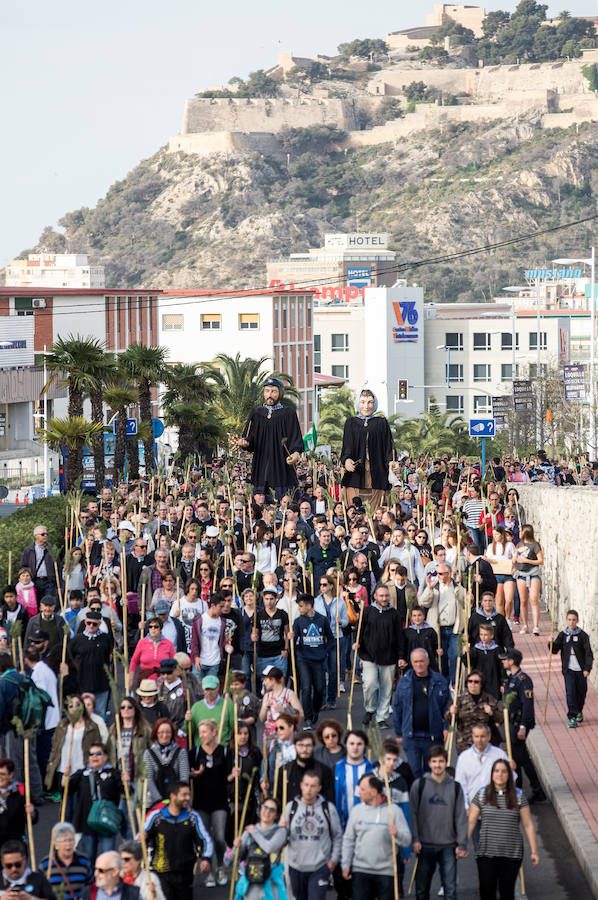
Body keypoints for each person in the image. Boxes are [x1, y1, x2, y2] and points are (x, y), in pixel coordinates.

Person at [468, 759, 539, 900]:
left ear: (509, 775)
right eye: (496, 771)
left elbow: (528, 824)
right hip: (487, 852)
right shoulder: (482, 794)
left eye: (504, 771)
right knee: (486, 890)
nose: (500, 774)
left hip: (511, 853)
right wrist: (462, 844)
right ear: (492, 774)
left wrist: (534, 851)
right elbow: (471, 820)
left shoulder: (518, 796)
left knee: (507, 892)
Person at [409, 745, 467, 900]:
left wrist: (462, 844)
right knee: (422, 890)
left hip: (448, 845)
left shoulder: (455, 787)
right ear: (429, 763)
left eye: (441, 761)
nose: (437, 765)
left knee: (450, 891)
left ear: (446, 762)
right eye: (434, 761)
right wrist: (415, 839)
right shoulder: (419, 785)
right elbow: (412, 814)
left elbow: (460, 816)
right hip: (425, 845)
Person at [341, 773, 411, 899]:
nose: (359, 792)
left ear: (373, 792)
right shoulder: (357, 811)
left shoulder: (393, 811)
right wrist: (345, 864)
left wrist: (397, 834)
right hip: (360, 870)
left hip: (386, 872)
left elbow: (406, 840)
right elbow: (348, 840)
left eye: (362, 789)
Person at [232, 377, 303, 500]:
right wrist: (244, 443)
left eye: (273, 391)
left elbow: (295, 436)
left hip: (281, 466)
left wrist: (296, 453)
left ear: (280, 393)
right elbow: (250, 437)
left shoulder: (288, 413)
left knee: (284, 502)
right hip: (261, 465)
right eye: (267, 391)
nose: (269, 395)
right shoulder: (257, 413)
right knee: (260, 503)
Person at [144, 781, 213, 900]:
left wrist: (206, 858)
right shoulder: (156, 817)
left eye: (188, 795)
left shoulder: (192, 817)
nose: (188, 798)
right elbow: (140, 838)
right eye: (184, 795)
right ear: (173, 796)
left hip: (185, 873)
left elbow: (205, 839)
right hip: (161, 873)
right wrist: (141, 840)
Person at [282, 769, 342, 900]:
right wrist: (281, 831)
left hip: (319, 867)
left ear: (319, 788)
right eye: (306, 785)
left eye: (313, 786)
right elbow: (282, 840)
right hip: (296, 867)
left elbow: (338, 836)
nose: (309, 789)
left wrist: (333, 861)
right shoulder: (290, 808)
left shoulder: (328, 808)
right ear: (301, 785)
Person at [393, 649, 450, 779]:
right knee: (414, 772)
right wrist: (398, 733)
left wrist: (447, 728)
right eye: (416, 661)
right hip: (411, 736)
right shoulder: (404, 681)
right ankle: (417, 798)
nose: (419, 664)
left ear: (428, 661)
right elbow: (397, 708)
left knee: (433, 773)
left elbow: (447, 706)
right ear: (412, 663)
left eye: (422, 661)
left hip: (433, 736)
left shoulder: (439, 681)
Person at [500, 649, 546, 802]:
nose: (503, 662)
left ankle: (520, 791)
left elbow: (527, 704)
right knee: (521, 757)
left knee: (517, 759)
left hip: (518, 723)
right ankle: (534, 789)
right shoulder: (511, 679)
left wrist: (523, 726)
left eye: (505, 659)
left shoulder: (523, 680)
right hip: (511, 722)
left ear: (512, 661)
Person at [340, 389, 395, 511]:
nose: (366, 406)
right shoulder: (351, 422)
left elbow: (388, 446)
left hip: (377, 472)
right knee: (354, 508)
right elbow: (347, 446)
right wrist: (346, 460)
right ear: (357, 404)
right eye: (363, 402)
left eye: (370, 402)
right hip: (356, 473)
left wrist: (391, 462)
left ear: (374, 404)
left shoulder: (381, 423)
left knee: (376, 510)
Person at [68, 742, 124, 862]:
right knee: (88, 858)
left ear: (105, 756)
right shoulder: (82, 774)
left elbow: (126, 792)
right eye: (91, 754)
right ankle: (90, 880)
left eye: (98, 754)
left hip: (106, 821)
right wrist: (65, 777)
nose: (94, 757)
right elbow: (66, 789)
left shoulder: (113, 773)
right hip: (87, 822)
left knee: (107, 858)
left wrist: (125, 781)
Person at [358, 583, 403, 728]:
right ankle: (370, 709)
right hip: (369, 655)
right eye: (381, 596)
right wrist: (358, 652)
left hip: (389, 657)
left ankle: (381, 717)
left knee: (386, 688)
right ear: (375, 596)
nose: (384, 598)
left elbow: (400, 636)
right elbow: (359, 633)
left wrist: (401, 656)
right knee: (369, 684)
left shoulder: (394, 614)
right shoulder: (367, 611)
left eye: (386, 595)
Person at [45, 694, 101, 798]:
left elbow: (98, 748)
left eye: (77, 704)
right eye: (71, 706)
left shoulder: (91, 727)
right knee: (66, 807)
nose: (74, 708)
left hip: (82, 770)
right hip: (64, 771)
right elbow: (55, 748)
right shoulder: (62, 726)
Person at [232, 797, 287, 900]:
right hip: (252, 881)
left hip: (271, 882)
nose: (267, 812)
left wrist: (254, 832)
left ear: (276, 815)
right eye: (265, 807)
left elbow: (269, 848)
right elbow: (235, 859)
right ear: (260, 809)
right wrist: (236, 847)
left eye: (272, 810)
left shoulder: (280, 832)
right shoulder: (249, 831)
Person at [419, 565, 465, 686]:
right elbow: (424, 602)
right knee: (441, 657)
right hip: (438, 629)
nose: (438, 576)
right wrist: (428, 588)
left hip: (455, 628)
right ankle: (444, 682)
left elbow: (466, 603)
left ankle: (455, 683)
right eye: (437, 573)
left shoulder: (458, 587)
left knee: (455, 655)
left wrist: (469, 598)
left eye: (441, 574)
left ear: (448, 574)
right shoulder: (434, 587)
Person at [292, 593, 333, 728]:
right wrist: (291, 639)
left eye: (301, 606)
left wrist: (324, 651)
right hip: (303, 659)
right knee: (306, 687)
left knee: (320, 689)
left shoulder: (322, 620)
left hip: (318, 659)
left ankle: (315, 710)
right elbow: (294, 640)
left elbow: (330, 639)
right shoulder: (298, 621)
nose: (299, 609)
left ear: (309, 606)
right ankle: (308, 718)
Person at [550, 609, 594, 728]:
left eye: (574, 620)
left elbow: (589, 654)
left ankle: (579, 710)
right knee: (570, 693)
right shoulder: (563, 635)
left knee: (581, 692)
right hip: (568, 670)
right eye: (569, 620)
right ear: (566, 620)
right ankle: (572, 717)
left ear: (577, 621)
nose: (571, 622)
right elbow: (555, 650)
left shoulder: (583, 636)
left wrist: (587, 668)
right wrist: (551, 644)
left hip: (580, 670)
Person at [69, 609, 113, 720]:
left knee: (99, 716)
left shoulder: (105, 639)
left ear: (99, 624)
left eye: (95, 624)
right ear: (85, 622)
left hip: (101, 684)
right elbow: (70, 658)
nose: (91, 626)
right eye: (89, 623)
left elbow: (109, 658)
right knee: (81, 716)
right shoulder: (77, 640)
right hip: (82, 684)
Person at [455, 723, 509, 812]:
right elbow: (460, 785)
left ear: (489, 736)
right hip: (472, 811)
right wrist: (465, 806)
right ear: (472, 737)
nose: (479, 740)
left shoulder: (500, 755)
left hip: (495, 811)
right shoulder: (464, 758)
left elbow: (509, 782)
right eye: (476, 736)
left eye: (482, 736)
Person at [446, 670, 502, 755]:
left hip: (484, 744)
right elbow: (449, 719)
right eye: (470, 681)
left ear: (481, 684)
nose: (473, 684)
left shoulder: (488, 699)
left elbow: (501, 718)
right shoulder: (459, 700)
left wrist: (491, 713)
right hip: (465, 744)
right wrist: (451, 712)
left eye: (476, 682)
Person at [314, 575, 349, 708]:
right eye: (321, 585)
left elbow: (346, 622)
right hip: (321, 639)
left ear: (331, 586)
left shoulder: (339, 602)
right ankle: (322, 700)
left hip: (336, 638)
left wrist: (341, 621)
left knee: (334, 670)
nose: (322, 587)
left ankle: (331, 699)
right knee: (322, 671)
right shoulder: (316, 601)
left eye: (324, 585)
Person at [39, 822, 92, 900]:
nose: (68, 844)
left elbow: (91, 886)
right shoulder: (46, 864)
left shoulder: (84, 861)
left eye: (71, 840)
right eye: (64, 841)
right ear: (56, 845)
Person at [144, 718, 190, 807]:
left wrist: (175, 799)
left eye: (168, 732)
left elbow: (184, 778)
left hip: (177, 801)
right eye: (161, 732)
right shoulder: (148, 753)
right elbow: (149, 779)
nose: (164, 735)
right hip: (154, 802)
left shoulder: (181, 752)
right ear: (156, 734)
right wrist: (159, 802)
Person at [279, 731, 334, 803]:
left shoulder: (324, 771)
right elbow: (278, 799)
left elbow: (330, 800)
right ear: (295, 746)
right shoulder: (284, 770)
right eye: (301, 745)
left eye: (308, 745)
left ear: (313, 747)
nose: (305, 749)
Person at [334, 730, 374, 829]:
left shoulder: (372, 769)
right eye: (351, 743)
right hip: (343, 825)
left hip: (368, 825)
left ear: (365, 746)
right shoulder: (336, 769)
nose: (355, 747)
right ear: (346, 745)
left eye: (359, 744)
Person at [252, 588, 289, 686]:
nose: (269, 602)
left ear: (276, 599)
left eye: (271, 599)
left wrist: (286, 650)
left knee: (280, 681)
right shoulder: (258, 615)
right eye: (267, 599)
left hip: (279, 653)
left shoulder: (282, 614)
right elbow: (254, 633)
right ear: (263, 599)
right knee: (265, 683)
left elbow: (287, 634)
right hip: (263, 654)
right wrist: (253, 637)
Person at [513, 525, 544, 635]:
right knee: (523, 601)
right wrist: (515, 560)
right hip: (521, 574)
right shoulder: (519, 544)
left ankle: (536, 626)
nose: (519, 532)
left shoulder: (535, 545)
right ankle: (525, 624)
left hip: (532, 573)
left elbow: (541, 561)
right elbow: (514, 558)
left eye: (521, 531)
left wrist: (527, 560)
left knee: (534, 600)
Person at [129, 617, 176, 686]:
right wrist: (131, 679)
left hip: (163, 681)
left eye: (156, 626)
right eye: (150, 627)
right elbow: (134, 661)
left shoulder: (168, 644)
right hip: (145, 680)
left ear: (161, 629)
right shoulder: (142, 642)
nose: (153, 629)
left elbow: (174, 663)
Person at [0, 759, 37, 846]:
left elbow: (31, 820)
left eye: (3, 774)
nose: (0, 777)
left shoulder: (21, 791)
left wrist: (32, 813)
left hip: (16, 843)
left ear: (11, 775)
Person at [190, 675, 235, 746]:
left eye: (212, 689)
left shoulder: (228, 705)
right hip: (202, 750)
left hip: (222, 748)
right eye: (207, 689)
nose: (209, 692)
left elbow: (233, 728)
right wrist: (187, 721)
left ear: (218, 687)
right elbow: (190, 731)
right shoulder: (196, 707)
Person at [259, 667, 303, 739]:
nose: (264, 683)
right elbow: (262, 719)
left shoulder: (289, 694)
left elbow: (300, 714)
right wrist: (265, 707)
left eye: (265, 680)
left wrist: (284, 710)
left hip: (286, 735)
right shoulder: (267, 696)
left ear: (272, 680)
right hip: (271, 736)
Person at [190, 594, 227, 679]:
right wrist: (196, 657)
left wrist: (226, 644)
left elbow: (221, 641)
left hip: (215, 661)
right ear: (213, 605)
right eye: (220, 607)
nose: (222, 609)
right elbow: (194, 642)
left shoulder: (222, 622)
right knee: (197, 689)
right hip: (200, 661)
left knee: (211, 689)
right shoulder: (199, 620)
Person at [463, 623, 504, 699]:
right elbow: (468, 663)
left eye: (486, 635)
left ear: (491, 636)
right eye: (481, 634)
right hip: (480, 682)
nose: (483, 637)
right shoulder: (476, 649)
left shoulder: (497, 650)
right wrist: (466, 653)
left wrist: (502, 683)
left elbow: (501, 668)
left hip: (493, 681)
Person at [19, 525, 56, 602]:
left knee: (48, 603)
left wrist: (59, 585)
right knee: (35, 604)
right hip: (34, 581)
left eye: (46, 534)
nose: (45, 536)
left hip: (49, 582)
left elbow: (57, 567)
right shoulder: (29, 550)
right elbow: (23, 566)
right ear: (36, 536)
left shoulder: (52, 549)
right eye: (43, 534)